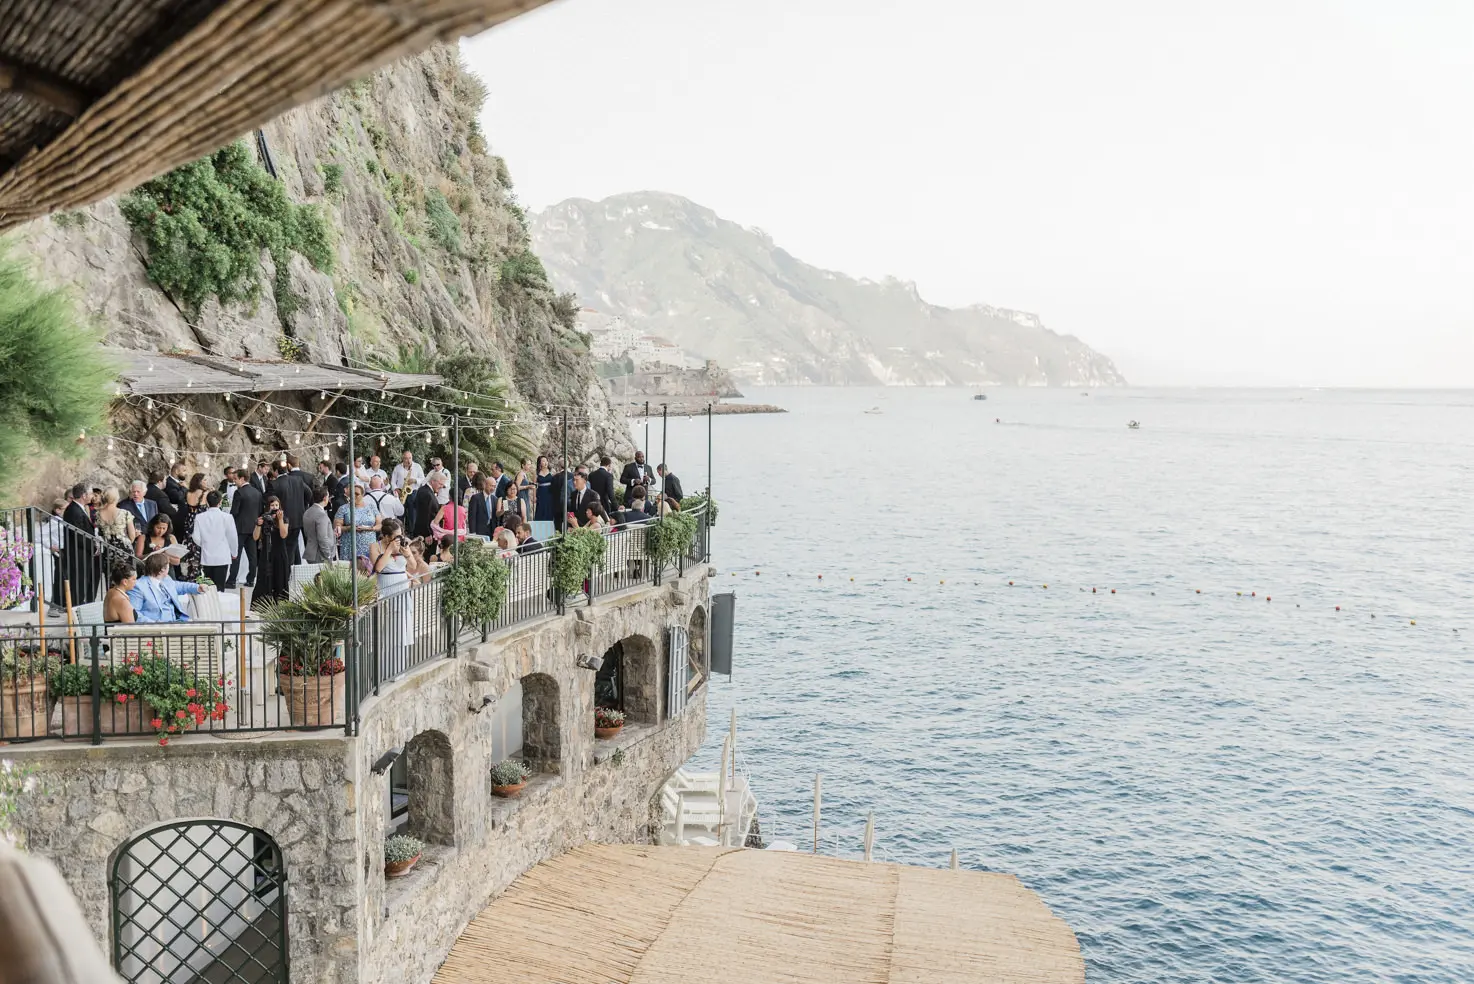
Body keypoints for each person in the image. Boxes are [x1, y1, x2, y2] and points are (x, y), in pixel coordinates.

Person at [127, 550, 205, 623]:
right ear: (162, 570)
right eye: (168, 566)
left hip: (176, 623)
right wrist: (153, 624)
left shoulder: (166, 579)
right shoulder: (139, 586)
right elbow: (134, 613)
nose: (169, 568)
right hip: (155, 628)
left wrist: (197, 588)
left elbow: (181, 586)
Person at [191, 491, 236, 590]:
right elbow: (232, 537)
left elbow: (196, 537)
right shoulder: (227, 517)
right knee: (220, 587)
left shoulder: (199, 517)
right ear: (220, 502)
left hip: (207, 556)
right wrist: (234, 552)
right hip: (222, 556)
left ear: (207, 502)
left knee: (208, 588)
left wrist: (205, 544)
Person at [272, 454, 312, 567]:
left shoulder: (274, 484)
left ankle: (286, 572)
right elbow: (309, 493)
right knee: (292, 547)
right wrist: (302, 506)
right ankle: (292, 570)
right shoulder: (298, 480)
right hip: (298, 519)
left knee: (282, 548)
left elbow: (269, 502)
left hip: (282, 520)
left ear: (276, 471)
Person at [61, 484, 97, 605]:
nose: (92, 496)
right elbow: (80, 536)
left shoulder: (78, 508)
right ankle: (75, 607)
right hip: (78, 553)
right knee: (78, 583)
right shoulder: (74, 510)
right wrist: (94, 548)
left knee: (81, 582)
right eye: (91, 493)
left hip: (82, 552)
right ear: (84, 495)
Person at [226, 469, 263, 589]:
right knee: (252, 556)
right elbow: (260, 511)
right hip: (253, 528)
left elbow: (234, 512)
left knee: (236, 555)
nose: (234, 481)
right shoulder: (257, 493)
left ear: (242, 479)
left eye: (236, 479)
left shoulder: (239, 493)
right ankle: (251, 580)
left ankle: (232, 581)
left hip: (240, 529)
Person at [255, 494, 292, 603]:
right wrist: (258, 525)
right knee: (264, 580)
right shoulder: (263, 518)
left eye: (277, 505)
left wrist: (280, 520)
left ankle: (280, 603)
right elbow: (255, 537)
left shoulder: (284, 519)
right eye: (272, 505)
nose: (275, 507)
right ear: (268, 507)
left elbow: (283, 535)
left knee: (280, 580)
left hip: (279, 554)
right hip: (266, 553)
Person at [334, 482, 381, 562]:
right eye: (352, 493)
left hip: (369, 545)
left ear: (362, 495)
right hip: (350, 545)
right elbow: (336, 527)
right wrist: (350, 528)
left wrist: (371, 528)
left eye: (357, 494)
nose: (354, 496)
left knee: (368, 566)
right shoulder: (343, 508)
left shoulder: (371, 507)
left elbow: (380, 524)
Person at [178, 473, 208, 578]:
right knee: (198, 548)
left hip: (189, 522)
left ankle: (190, 572)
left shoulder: (188, 493)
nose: (206, 482)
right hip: (199, 523)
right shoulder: (204, 494)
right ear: (199, 482)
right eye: (204, 480)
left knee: (190, 547)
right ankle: (197, 574)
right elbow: (204, 510)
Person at [94, 487, 137, 558]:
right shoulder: (125, 513)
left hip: (107, 551)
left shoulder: (98, 514)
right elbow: (132, 536)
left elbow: (99, 534)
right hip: (124, 550)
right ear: (116, 498)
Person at [303, 485, 337, 564]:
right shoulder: (321, 515)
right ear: (325, 498)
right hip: (321, 555)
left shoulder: (307, 512)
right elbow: (322, 538)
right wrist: (328, 555)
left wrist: (331, 533)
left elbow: (307, 532)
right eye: (328, 496)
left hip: (311, 553)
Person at [431, 472, 468, 541]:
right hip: (460, 539)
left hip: (447, 539)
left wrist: (442, 532)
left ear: (449, 496)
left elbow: (434, 524)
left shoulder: (444, 508)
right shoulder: (463, 509)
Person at [406, 470, 441, 540]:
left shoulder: (424, 490)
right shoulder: (426, 493)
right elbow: (424, 516)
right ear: (433, 481)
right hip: (425, 535)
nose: (442, 486)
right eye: (440, 484)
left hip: (423, 533)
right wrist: (427, 534)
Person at [534, 455, 555, 523]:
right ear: (540, 463)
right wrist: (534, 496)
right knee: (540, 509)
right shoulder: (536, 473)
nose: (545, 462)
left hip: (550, 493)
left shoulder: (552, 471)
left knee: (549, 508)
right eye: (543, 461)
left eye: (546, 461)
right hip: (541, 493)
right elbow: (534, 486)